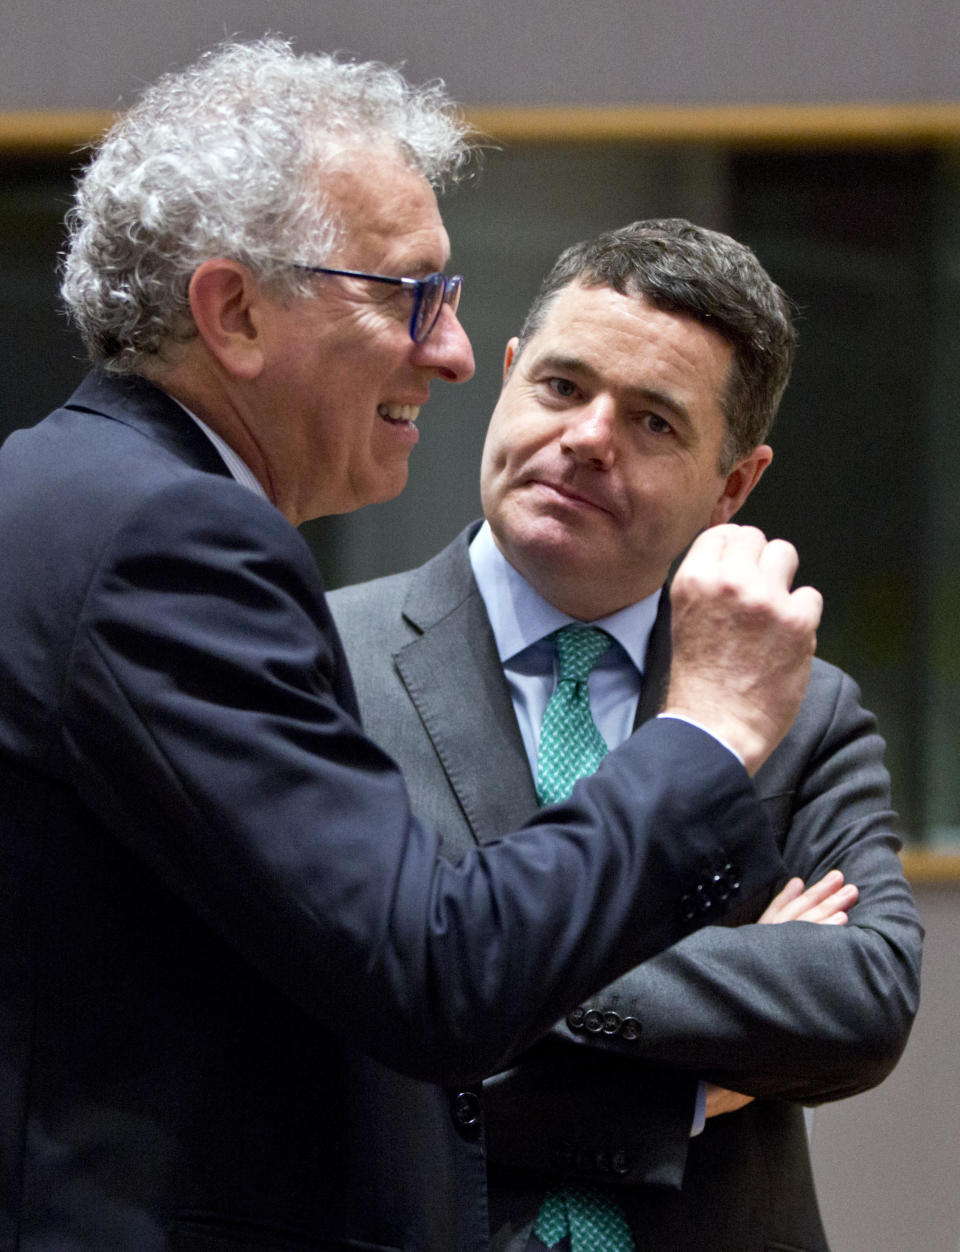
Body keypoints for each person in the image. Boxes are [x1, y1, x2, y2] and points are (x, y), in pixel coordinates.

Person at [0, 44, 824, 1252]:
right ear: (233, 312)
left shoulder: (67, 492)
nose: (447, 352)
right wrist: (707, 729)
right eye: (410, 295)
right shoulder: (168, 539)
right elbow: (438, 973)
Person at [329, 219, 923, 1252]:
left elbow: (864, 998)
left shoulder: (799, 702)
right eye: (562, 386)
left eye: (653, 422)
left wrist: (460, 962)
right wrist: (689, 1078)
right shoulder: (320, 660)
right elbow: (323, 1043)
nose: (590, 435)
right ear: (508, 376)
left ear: (734, 485)